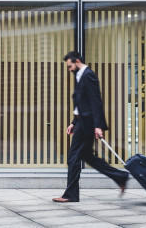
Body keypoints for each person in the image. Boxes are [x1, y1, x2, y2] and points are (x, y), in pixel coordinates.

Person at [52, 51, 129, 202]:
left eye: (70, 66)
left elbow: (95, 102)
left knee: (73, 158)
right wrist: (74, 122)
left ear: (77, 61)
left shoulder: (88, 75)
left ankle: (71, 195)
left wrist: (98, 125)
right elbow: (83, 103)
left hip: (86, 124)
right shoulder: (80, 75)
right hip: (81, 122)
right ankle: (121, 177)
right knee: (88, 157)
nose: (69, 69)